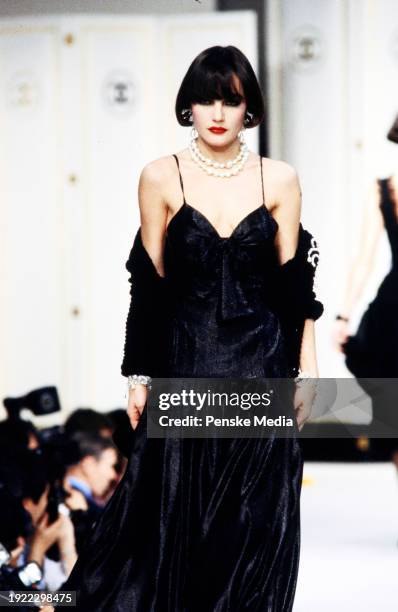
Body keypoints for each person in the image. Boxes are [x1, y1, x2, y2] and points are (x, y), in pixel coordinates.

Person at [58, 45, 323, 611]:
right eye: (206, 99)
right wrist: (137, 374)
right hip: (186, 368)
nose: (218, 112)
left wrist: (309, 370)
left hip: (262, 367)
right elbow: (148, 285)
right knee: (174, 529)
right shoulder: (160, 177)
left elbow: (294, 286)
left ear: (248, 105)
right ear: (188, 106)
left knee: (255, 532)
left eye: (231, 98)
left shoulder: (279, 179)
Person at [332, 115, 398, 459]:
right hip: (392, 316)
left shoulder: (386, 189)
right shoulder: (382, 189)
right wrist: (343, 316)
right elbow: (364, 258)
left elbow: (364, 259)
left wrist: (344, 316)